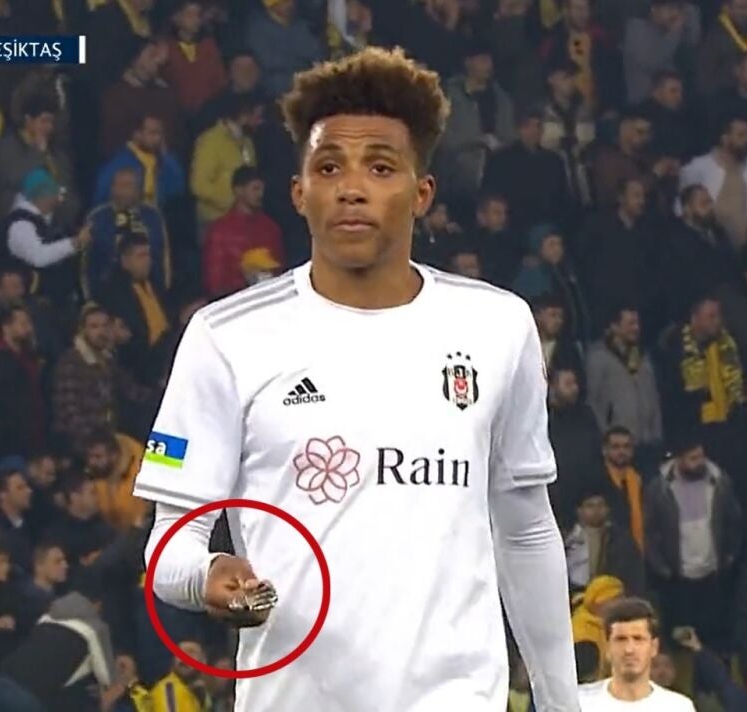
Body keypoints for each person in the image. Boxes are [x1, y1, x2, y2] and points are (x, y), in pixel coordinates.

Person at [136, 48, 579, 711]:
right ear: (299, 193)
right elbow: (170, 548)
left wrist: (562, 702)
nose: (351, 187)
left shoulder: (497, 326)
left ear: (421, 194)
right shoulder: (225, 337)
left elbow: (526, 530)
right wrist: (209, 575)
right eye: (328, 167)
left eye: (380, 166)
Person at [577, 597, 696, 710]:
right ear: (607, 647)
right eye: (621, 639)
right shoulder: (580, 702)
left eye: (638, 639)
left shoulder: (678, 707)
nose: (629, 649)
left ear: (653, 647)